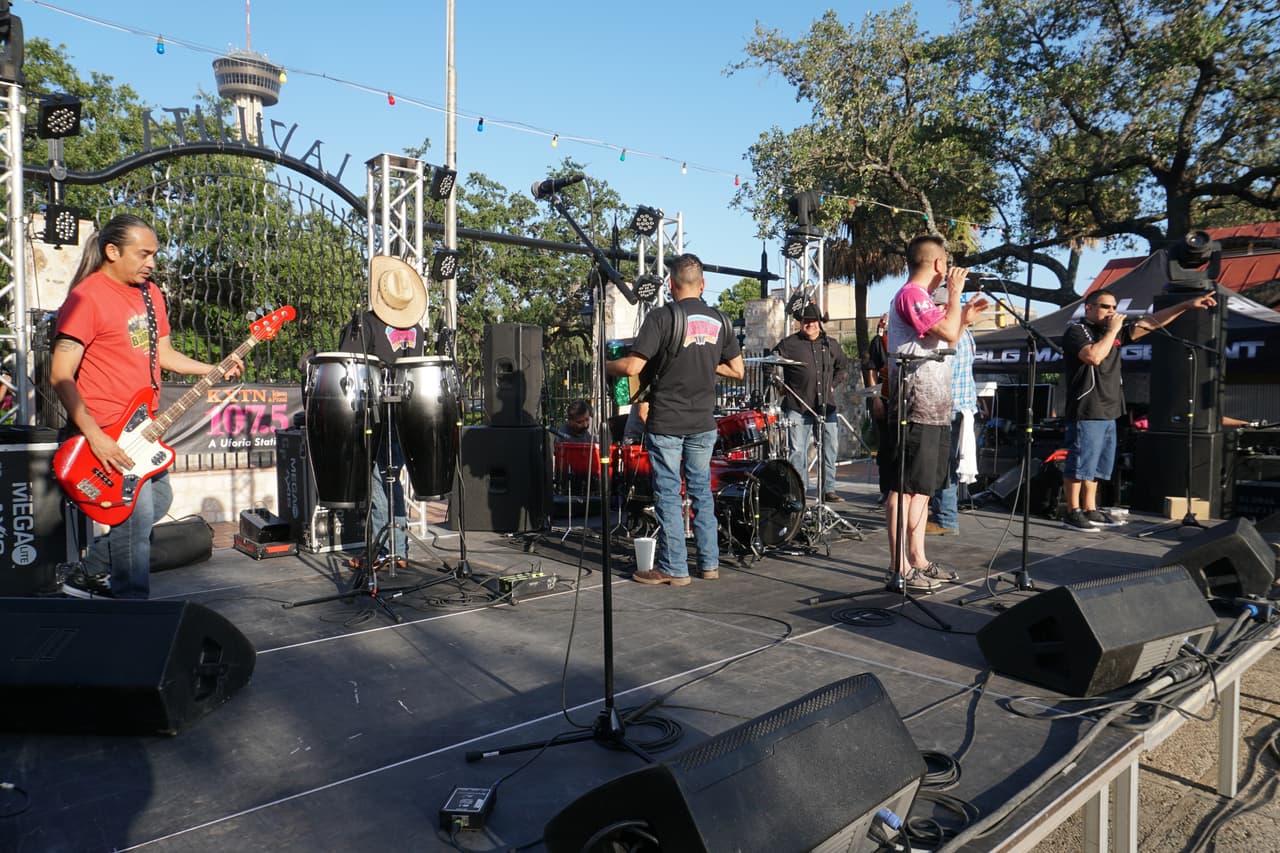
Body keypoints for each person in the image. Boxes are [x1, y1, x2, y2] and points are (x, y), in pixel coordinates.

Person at [52, 214, 244, 599]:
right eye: (144, 254)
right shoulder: (86, 298)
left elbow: (164, 354)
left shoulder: (149, 293)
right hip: (106, 429)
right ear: (112, 251)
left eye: (154, 254)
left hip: (144, 429)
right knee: (135, 526)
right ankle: (132, 606)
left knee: (160, 500)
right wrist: (95, 438)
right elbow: (60, 375)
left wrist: (213, 368)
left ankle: (87, 573)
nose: (151, 262)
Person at [607, 253, 744, 586]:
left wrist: (607, 364)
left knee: (668, 493)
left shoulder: (662, 317)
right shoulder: (721, 320)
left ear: (671, 285)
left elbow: (634, 368)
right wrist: (703, 359)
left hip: (667, 421)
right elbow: (738, 371)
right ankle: (709, 564)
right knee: (701, 492)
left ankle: (674, 568)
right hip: (703, 423)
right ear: (703, 284)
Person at [1061, 287, 1217, 532]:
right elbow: (1093, 357)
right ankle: (1072, 511)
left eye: (1114, 307)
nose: (1112, 312)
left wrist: (1186, 305)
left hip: (1110, 407)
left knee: (1096, 464)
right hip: (1087, 407)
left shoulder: (1114, 332)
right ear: (1089, 308)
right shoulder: (1077, 330)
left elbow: (1151, 322)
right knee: (1080, 461)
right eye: (1105, 307)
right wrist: (1112, 331)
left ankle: (1090, 508)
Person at [884, 234, 989, 592]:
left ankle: (919, 559)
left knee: (924, 488)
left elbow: (949, 340)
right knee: (905, 488)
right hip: (914, 406)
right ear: (940, 264)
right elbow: (943, 329)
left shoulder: (924, 299)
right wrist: (956, 297)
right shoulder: (911, 294)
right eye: (948, 261)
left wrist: (965, 319)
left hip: (936, 407)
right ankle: (899, 566)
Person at [339, 255, 429, 568]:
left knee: (378, 479)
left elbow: (350, 367)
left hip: (376, 412)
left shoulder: (366, 323)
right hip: (410, 412)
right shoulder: (416, 328)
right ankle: (398, 550)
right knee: (393, 479)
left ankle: (383, 552)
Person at [771, 303, 850, 502]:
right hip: (798, 406)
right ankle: (800, 490)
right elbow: (769, 362)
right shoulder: (789, 344)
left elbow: (843, 367)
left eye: (813, 321)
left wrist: (833, 384)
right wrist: (778, 386)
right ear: (800, 322)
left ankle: (828, 489)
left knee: (830, 448)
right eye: (805, 321)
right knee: (798, 451)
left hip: (826, 406)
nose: (809, 324)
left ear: (820, 323)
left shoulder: (830, 344)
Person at [927, 293, 979, 536]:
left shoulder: (953, 331)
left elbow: (944, 358)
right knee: (949, 464)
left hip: (950, 406)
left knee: (944, 466)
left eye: (938, 306)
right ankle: (945, 515)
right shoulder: (965, 331)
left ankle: (945, 519)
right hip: (962, 406)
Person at [863, 313, 890, 504]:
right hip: (884, 396)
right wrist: (876, 398)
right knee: (885, 446)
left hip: (906, 399)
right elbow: (871, 368)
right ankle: (886, 489)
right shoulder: (879, 341)